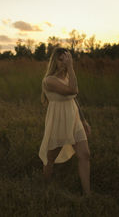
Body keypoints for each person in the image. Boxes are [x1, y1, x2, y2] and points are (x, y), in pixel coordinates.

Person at [39, 47, 91, 196]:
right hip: (58, 121)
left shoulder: (68, 77)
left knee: (85, 154)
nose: (64, 63)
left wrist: (84, 120)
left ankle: (87, 194)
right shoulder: (49, 80)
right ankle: (45, 187)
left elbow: (74, 100)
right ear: (54, 61)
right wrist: (71, 67)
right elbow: (73, 90)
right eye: (60, 59)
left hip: (74, 120)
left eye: (66, 59)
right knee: (50, 158)